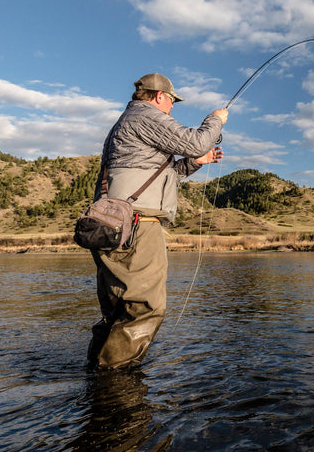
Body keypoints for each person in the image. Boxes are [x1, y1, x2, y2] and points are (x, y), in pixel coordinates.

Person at [87, 73, 228, 370]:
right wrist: (215, 119)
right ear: (159, 96)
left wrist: (195, 163)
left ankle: (96, 376)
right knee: (145, 309)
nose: (173, 107)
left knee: (117, 311)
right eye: (172, 101)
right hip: (138, 226)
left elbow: (163, 175)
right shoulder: (145, 116)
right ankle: (114, 378)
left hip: (114, 226)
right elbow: (197, 140)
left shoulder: (125, 122)